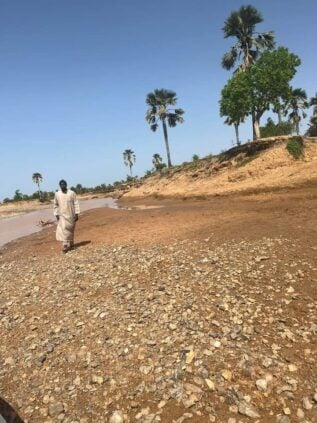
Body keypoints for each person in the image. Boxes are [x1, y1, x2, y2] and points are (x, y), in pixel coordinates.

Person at [53, 180, 80, 253]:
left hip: (71, 215)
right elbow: (55, 205)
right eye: (61, 184)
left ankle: (71, 244)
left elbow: (76, 203)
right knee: (63, 230)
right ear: (59, 185)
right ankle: (65, 245)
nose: (62, 185)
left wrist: (77, 214)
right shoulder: (57, 194)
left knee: (71, 230)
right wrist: (56, 214)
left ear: (66, 185)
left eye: (64, 184)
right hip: (62, 215)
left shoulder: (72, 193)